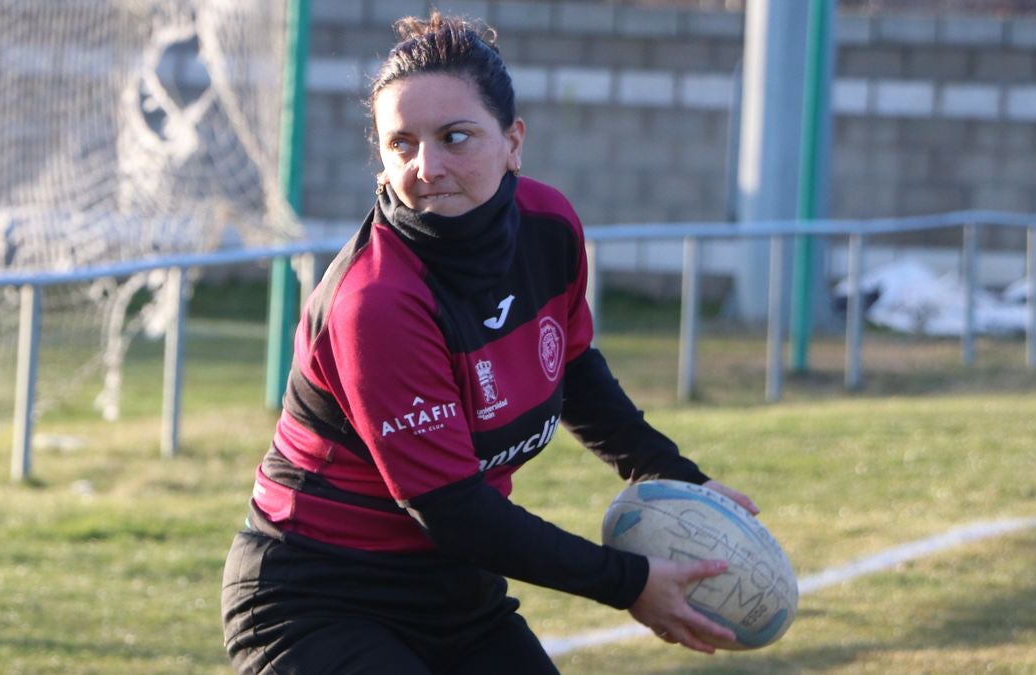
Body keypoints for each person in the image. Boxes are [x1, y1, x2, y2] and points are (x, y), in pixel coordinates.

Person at [221, 12, 759, 674]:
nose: (427, 166)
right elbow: (455, 510)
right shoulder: (378, 302)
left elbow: (573, 368)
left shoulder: (548, 225)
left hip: (455, 590)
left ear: (513, 142)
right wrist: (630, 581)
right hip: (317, 599)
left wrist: (680, 480)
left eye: (455, 137)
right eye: (402, 145)